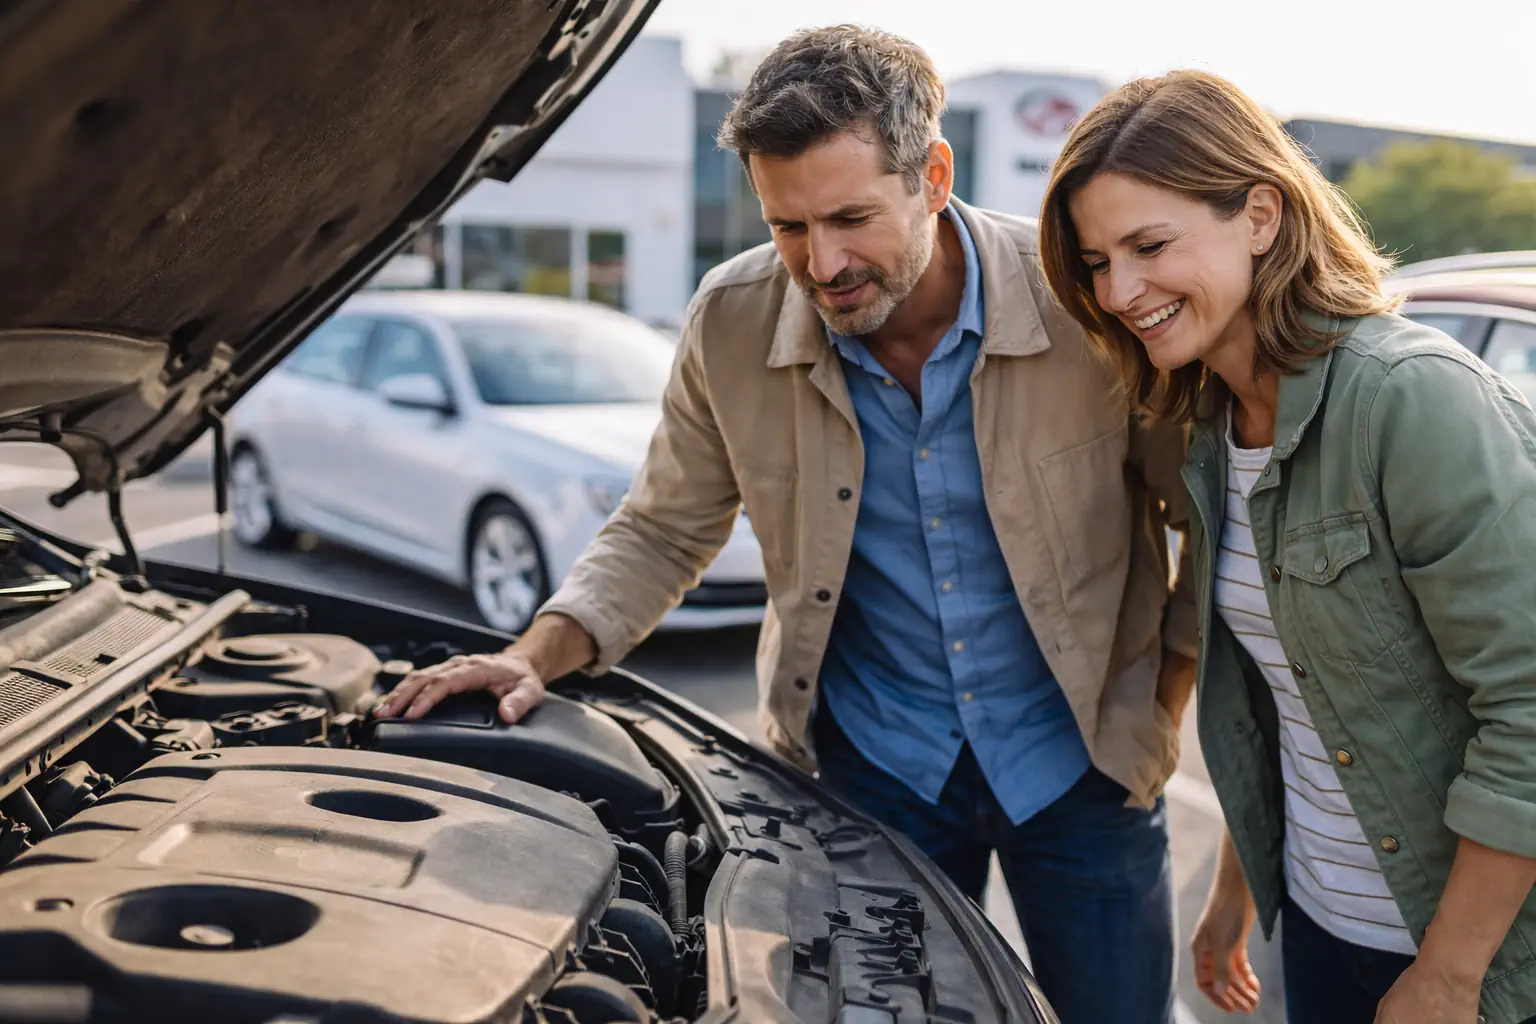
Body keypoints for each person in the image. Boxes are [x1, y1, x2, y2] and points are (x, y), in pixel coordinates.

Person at [378, 25, 1196, 1023]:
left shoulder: (1086, 299)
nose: (824, 260)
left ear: (933, 175)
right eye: (788, 227)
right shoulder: (729, 321)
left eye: (851, 217)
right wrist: (535, 655)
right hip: (872, 778)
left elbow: (1197, 515)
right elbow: (661, 529)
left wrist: (1161, 705)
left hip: (1086, 769)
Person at [1037, 67, 1536, 1024]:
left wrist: (1448, 976)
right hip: (1318, 927)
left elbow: (1527, 710)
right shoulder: (1210, 428)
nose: (1120, 290)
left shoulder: (1409, 399)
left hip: (1466, 960)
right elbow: (1290, 697)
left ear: (1260, 214)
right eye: (1099, 261)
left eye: (1149, 245)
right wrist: (1238, 890)